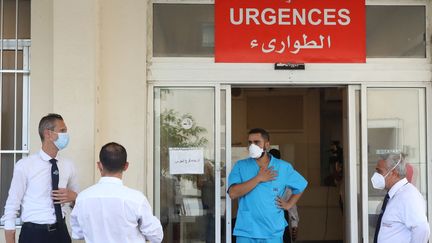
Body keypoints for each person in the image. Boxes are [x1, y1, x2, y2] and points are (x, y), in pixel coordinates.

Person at [2, 113, 79, 243]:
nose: (66, 135)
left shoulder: (68, 165)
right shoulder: (25, 165)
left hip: (61, 232)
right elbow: (12, 205)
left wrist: (74, 198)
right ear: (48, 134)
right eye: (62, 131)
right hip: (33, 234)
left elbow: (77, 203)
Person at [70, 142, 163, 243]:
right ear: (126, 166)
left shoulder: (83, 198)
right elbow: (156, 236)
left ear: (99, 165)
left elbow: (77, 233)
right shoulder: (137, 199)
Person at [228, 128, 308, 242]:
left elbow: (301, 185)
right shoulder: (241, 166)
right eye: (249, 142)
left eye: (256, 142)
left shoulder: (283, 167)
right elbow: (232, 193)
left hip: (273, 231)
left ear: (267, 145)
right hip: (247, 230)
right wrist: (258, 178)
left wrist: (289, 204)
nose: (252, 146)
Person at [371, 153, 430, 243]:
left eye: (379, 171)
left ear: (394, 173)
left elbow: (422, 229)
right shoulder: (393, 196)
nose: (376, 175)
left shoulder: (408, 196)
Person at [268, 149, 299, 243]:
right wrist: (294, 224)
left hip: (277, 214)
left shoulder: (283, 175)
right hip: (278, 214)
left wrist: (294, 224)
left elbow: (291, 202)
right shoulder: (283, 175)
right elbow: (291, 203)